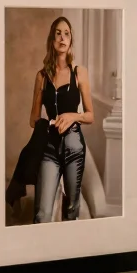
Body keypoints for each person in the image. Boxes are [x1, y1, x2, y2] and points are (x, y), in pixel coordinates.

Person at [29, 17, 94, 223]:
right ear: (52, 39)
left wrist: (72, 116)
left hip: (74, 146)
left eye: (66, 33)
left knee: (71, 211)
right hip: (49, 147)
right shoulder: (42, 76)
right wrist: (48, 123)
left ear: (71, 39)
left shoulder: (79, 73)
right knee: (42, 214)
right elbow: (33, 119)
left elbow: (90, 115)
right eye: (58, 33)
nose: (62, 38)